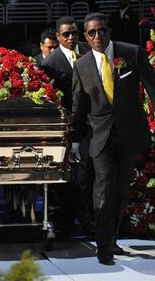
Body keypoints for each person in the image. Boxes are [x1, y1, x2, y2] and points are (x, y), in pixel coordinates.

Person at [71, 12, 155, 265]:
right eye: (92, 32)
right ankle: (103, 247)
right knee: (104, 190)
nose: (98, 36)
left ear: (109, 31)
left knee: (121, 191)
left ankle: (112, 237)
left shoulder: (131, 53)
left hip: (129, 133)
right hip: (99, 136)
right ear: (85, 36)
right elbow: (78, 106)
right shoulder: (81, 66)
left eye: (102, 31)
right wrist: (74, 141)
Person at [41, 16, 93, 237]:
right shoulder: (50, 64)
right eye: (66, 34)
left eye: (74, 33)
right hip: (64, 127)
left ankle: (87, 219)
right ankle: (65, 221)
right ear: (58, 37)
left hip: (90, 123)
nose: (71, 37)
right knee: (65, 178)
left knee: (87, 175)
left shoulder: (89, 54)